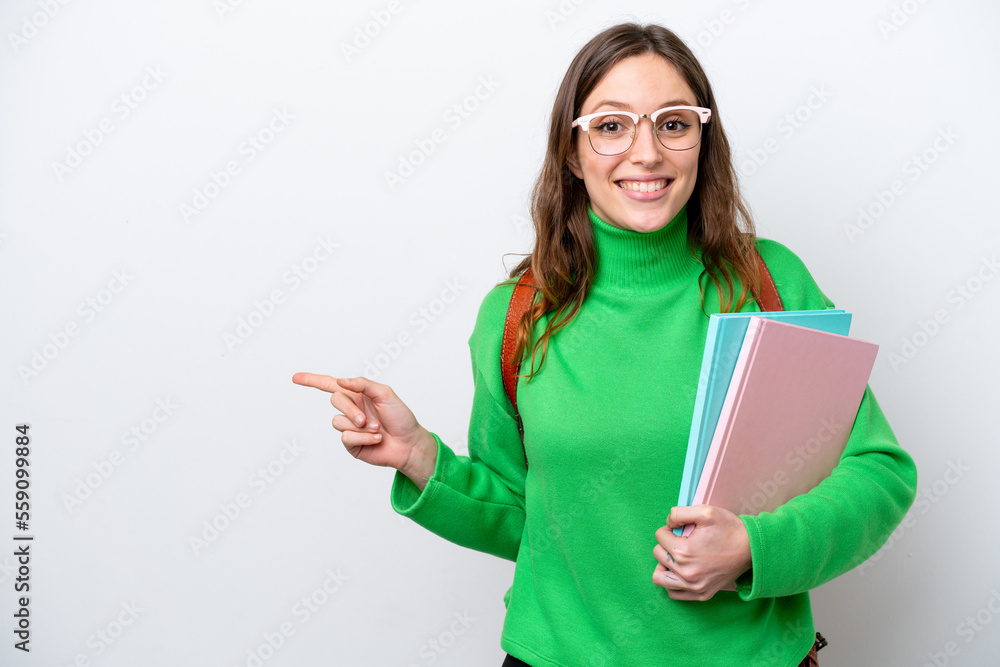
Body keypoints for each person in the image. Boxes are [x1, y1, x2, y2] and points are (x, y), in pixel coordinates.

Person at [293, 22, 917, 667]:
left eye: (674, 123)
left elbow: (878, 473)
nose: (646, 153)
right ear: (572, 152)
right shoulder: (517, 316)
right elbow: (527, 521)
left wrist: (755, 548)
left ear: (703, 140)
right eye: (611, 126)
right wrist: (422, 458)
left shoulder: (770, 282)